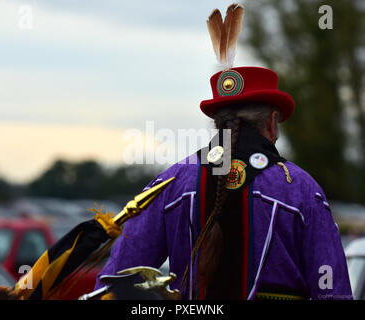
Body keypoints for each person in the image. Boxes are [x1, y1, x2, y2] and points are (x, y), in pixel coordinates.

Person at [95, 5, 352, 300]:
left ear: (217, 122)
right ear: (271, 121)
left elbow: (114, 283)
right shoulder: (301, 189)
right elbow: (332, 291)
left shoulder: (171, 184)